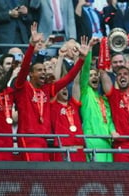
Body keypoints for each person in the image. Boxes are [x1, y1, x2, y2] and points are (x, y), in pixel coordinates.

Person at [14, 23, 90, 161]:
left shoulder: (48, 90)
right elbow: (24, 67)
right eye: (39, 70)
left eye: (44, 70)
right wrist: (31, 46)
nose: (43, 72)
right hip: (28, 139)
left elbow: (69, 78)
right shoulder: (22, 87)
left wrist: (81, 60)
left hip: (45, 140)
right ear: (31, 74)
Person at [99, 53, 129, 162]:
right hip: (121, 142)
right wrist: (104, 49)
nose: (122, 76)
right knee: (123, 177)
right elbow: (102, 73)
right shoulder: (113, 95)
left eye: (126, 74)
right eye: (119, 74)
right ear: (116, 79)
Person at [79, 48, 116, 162]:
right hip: (92, 138)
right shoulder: (85, 93)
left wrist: (113, 131)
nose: (94, 77)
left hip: (107, 140)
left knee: (108, 175)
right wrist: (89, 51)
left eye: (96, 75)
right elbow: (84, 72)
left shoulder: (103, 99)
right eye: (91, 75)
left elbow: (109, 119)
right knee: (96, 174)